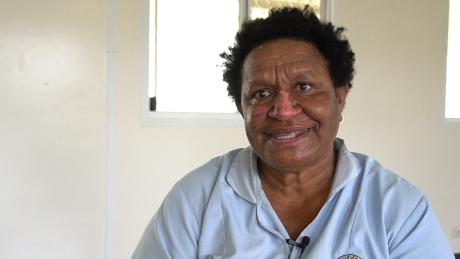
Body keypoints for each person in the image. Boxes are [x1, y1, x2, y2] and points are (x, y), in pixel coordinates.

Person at [132, 5, 454, 259]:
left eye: (304, 86)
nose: (283, 111)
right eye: (261, 93)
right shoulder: (195, 200)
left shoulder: (397, 207)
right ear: (241, 107)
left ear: (339, 97)